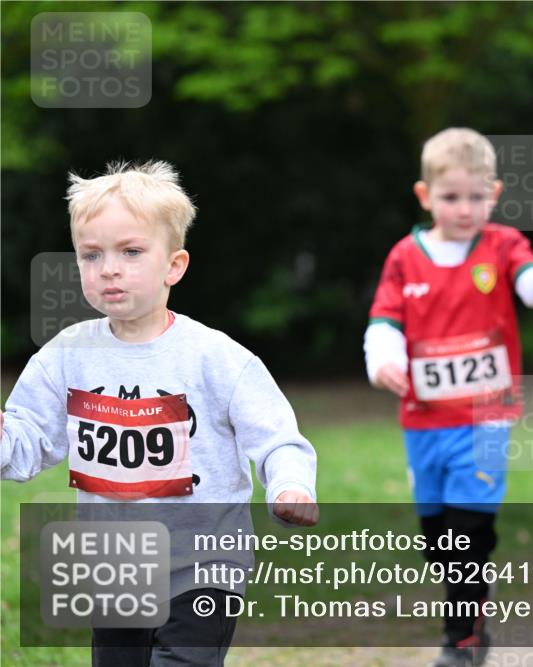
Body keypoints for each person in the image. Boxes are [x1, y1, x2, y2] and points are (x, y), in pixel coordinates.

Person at [1, 161, 319, 667]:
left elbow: (277, 437)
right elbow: (23, 442)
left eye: (130, 252)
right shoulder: (66, 356)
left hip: (205, 562)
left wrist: (290, 486)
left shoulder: (217, 358)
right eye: (91, 254)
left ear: (174, 265)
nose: (108, 267)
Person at [364, 128, 533, 667]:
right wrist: (382, 361)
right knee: (439, 541)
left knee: (469, 530)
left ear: (495, 194)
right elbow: (384, 322)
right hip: (423, 422)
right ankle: (473, 619)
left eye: (477, 197)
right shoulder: (404, 258)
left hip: (486, 417)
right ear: (424, 196)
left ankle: (460, 640)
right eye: (451, 197)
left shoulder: (503, 245)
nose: (465, 209)